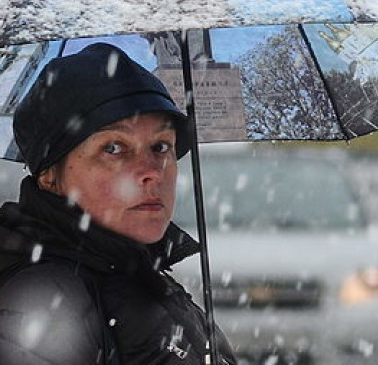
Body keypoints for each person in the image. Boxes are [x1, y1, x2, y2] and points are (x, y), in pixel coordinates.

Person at [0, 43, 236, 364]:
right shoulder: (42, 300)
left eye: (161, 145)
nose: (152, 171)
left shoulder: (132, 272)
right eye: (114, 147)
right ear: (49, 175)